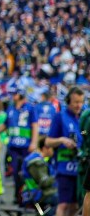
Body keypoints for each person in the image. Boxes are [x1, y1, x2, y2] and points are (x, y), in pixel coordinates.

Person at [47, 87, 84, 216]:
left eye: (81, 102)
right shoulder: (59, 117)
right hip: (64, 169)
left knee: (75, 206)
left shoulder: (83, 117)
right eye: (75, 102)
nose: (78, 105)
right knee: (63, 204)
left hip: (80, 169)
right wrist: (62, 140)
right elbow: (48, 142)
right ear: (68, 101)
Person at [5, 87, 40, 205]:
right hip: (14, 146)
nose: (12, 96)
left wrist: (34, 142)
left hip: (26, 146)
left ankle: (27, 197)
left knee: (25, 172)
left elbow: (35, 125)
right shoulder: (10, 108)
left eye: (14, 94)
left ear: (20, 95)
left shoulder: (30, 108)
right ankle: (17, 196)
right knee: (15, 172)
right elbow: (5, 125)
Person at [22, 137, 57, 213]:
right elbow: (44, 182)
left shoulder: (41, 159)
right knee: (62, 200)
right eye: (53, 148)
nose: (54, 151)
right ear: (45, 148)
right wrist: (59, 176)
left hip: (38, 193)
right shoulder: (35, 162)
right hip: (35, 195)